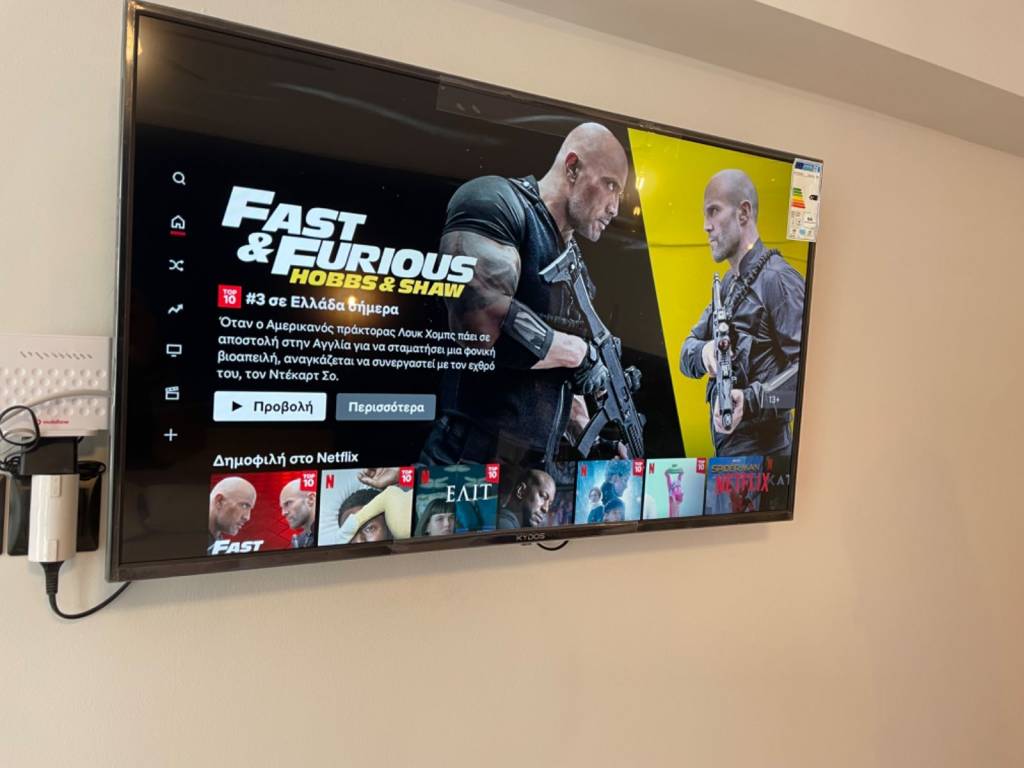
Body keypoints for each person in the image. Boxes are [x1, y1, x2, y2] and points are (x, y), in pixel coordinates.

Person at [420, 122, 630, 470]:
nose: (615, 209)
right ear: (573, 167)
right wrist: (579, 353)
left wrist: (588, 437)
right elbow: (478, 319)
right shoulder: (496, 201)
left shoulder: (578, 271)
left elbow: (563, 376)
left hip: (532, 473)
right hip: (466, 460)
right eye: (610, 185)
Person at [680, 169, 805, 456]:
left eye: (714, 211)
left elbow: (808, 376)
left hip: (767, 461)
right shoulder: (727, 286)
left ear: (743, 213)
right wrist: (706, 353)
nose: (706, 226)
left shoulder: (778, 280)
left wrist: (750, 401)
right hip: (730, 457)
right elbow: (686, 353)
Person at [208, 476, 256, 553]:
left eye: (249, 508)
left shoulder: (217, 544)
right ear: (219, 501)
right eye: (244, 506)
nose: (247, 517)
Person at [279, 478, 317, 549]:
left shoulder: (331, 534)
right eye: (282, 507)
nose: (283, 513)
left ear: (311, 499)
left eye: (288, 503)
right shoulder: (300, 541)